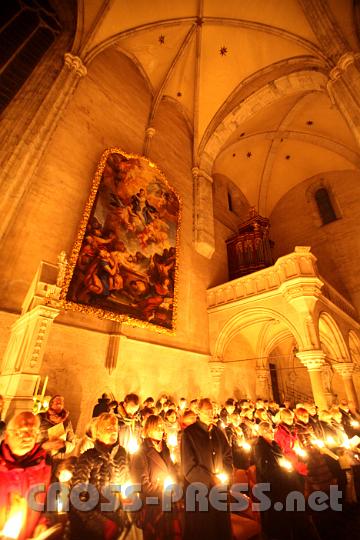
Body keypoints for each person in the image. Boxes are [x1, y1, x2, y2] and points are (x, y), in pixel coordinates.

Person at [252, 421, 319, 540]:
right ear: (261, 433)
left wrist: (287, 469)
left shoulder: (274, 444)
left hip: (283, 481)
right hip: (272, 486)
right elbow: (265, 469)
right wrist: (282, 472)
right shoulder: (259, 447)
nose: (271, 433)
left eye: (271, 430)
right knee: (279, 518)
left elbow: (281, 459)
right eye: (267, 431)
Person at [67, 413, 130, 540]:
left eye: (115, 428)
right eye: (108, 428)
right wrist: (101, 523)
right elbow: (78, 498)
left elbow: (124, 483)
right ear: (98, 433)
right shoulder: (88, 457)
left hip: (117, 520)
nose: (113, 431)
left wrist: (126, 499)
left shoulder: (121, 453)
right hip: (92, 529)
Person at [181, 397, 233, 540]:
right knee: (205, 530)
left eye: (212, 411)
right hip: (201, 494)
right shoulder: (189, 434)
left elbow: (228, 455)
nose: (211, 414)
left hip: (220, 490)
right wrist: (210, 479)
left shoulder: (217, 432)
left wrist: (226, 475)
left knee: (222, 529)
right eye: (207, 411)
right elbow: (189, 467)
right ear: (198, 412)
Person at [0, 412, 51, 540]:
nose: (28, 437)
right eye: (21, 432)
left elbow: (48, 500)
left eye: (32, 432)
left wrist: (43, 523)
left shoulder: (45, 465)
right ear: (7, 435)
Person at [131, 415, 181, 540]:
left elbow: (172, 472)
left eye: (161, 427)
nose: (161, 430)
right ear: (148, 430)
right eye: (157, 428)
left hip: (168, 503)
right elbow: (142, 484)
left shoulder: (165, 449)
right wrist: (163, 492)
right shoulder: (141, 453)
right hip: (152, 506)